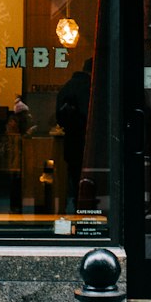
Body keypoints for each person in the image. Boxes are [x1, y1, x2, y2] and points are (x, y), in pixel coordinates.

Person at [56, 60, 91, 211]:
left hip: (71, 141)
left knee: (74, 178)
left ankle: (75, 208)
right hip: (85, 141)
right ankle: (84, 210)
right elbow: (88, 116)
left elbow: (60, 117)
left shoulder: (67, 87)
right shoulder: (89, 88)